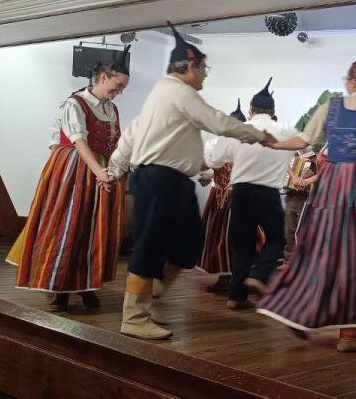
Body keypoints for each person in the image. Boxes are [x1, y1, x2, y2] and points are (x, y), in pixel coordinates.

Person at [106, 22, 273, 340]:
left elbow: (134, 131)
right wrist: (260, 135)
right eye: (204, 68)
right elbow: (218, 122)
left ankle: (151, 291)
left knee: (189, 246)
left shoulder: (164, 96)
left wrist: (116, 166)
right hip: (158, 178)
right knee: (150, 246)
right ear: (190, 66)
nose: (205, 74)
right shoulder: (177, 91)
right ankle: (134, 316)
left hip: (175, 181)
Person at [256, 54, 356, 353]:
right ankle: (350, 334)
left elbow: (304, 140)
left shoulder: (330, 107)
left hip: (333, 184)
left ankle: (298, 309)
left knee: (321, 249)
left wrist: (273, 142)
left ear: (350, 81)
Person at [8, 46, 131, 313]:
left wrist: (116, 169)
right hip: (74, 170)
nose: (119, 91)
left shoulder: (112, 109)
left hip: (101, 173)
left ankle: (85, 286)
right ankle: (56, 291)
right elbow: (78, 141)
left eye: (123, 88)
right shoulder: (75, 103)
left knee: (91, 231)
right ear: (102, 78)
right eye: (118, 86)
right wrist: (99, 172)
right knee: (65, 227)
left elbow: (116, 144)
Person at [206, 77, 298, 309]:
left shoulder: (238, 130)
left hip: (241, 192)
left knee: (243, 245)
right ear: (273, 110)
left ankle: (236, 296)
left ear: (250, 110)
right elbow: (305, 146)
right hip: (268, 193)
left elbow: (214, 159)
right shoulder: (285, 130)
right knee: (276, 238)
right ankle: (259, 273)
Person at [191, 99, 249, 294]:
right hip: (219, 196)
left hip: (238, 196)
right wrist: (206, 176)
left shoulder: (248, 144)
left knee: (235, 238)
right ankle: (225, 277)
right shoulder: (215, 143)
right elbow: (213, 167)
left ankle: (237, 279)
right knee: (216, 239)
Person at [283, 148, 318, 269]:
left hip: (307, 198)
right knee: (289, 229)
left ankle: (304, 262)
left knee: (303, 230)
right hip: (291, 196)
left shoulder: (316, 158)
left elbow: (321, 177)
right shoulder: (290, 155)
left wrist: (311, 176)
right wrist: (291, 174)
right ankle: (288, 261)